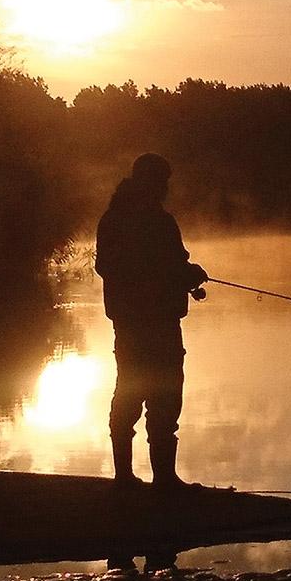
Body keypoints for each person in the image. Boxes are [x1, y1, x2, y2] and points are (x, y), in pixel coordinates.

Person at [95, 153, 209, 489]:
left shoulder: (119, 218)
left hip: (138, 321)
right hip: (149, 323)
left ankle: (140, 477)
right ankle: (149, 478)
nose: (166, 187)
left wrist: (186, 275)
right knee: (150, 395)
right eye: (162, 181)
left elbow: (170, 264)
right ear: (151, 181)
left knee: (145, 394)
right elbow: (160, 266)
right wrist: (185, 275)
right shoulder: (148, 221)